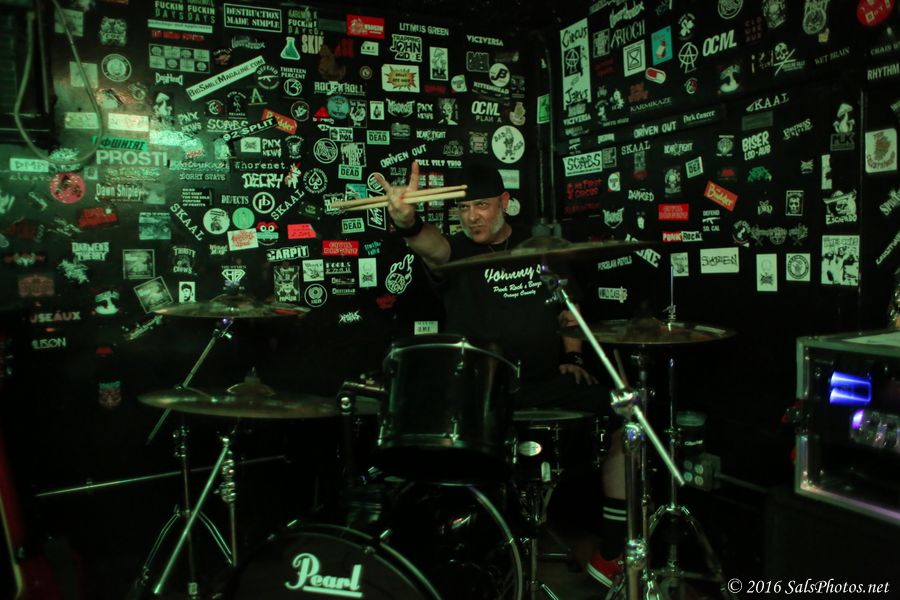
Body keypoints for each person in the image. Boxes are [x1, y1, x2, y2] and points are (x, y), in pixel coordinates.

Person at [374, 160, 627, 588]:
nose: (472, 216)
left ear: (504, 202)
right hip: (482, 391)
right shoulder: (456, 252)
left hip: (543, 382)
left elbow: (567, 310)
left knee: (625, 411)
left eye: (482, 206)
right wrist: (407, 221)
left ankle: (613, 550)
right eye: (464, 207)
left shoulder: (538, 247)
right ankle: (485, 552)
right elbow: (430, 246)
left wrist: (575, 357)